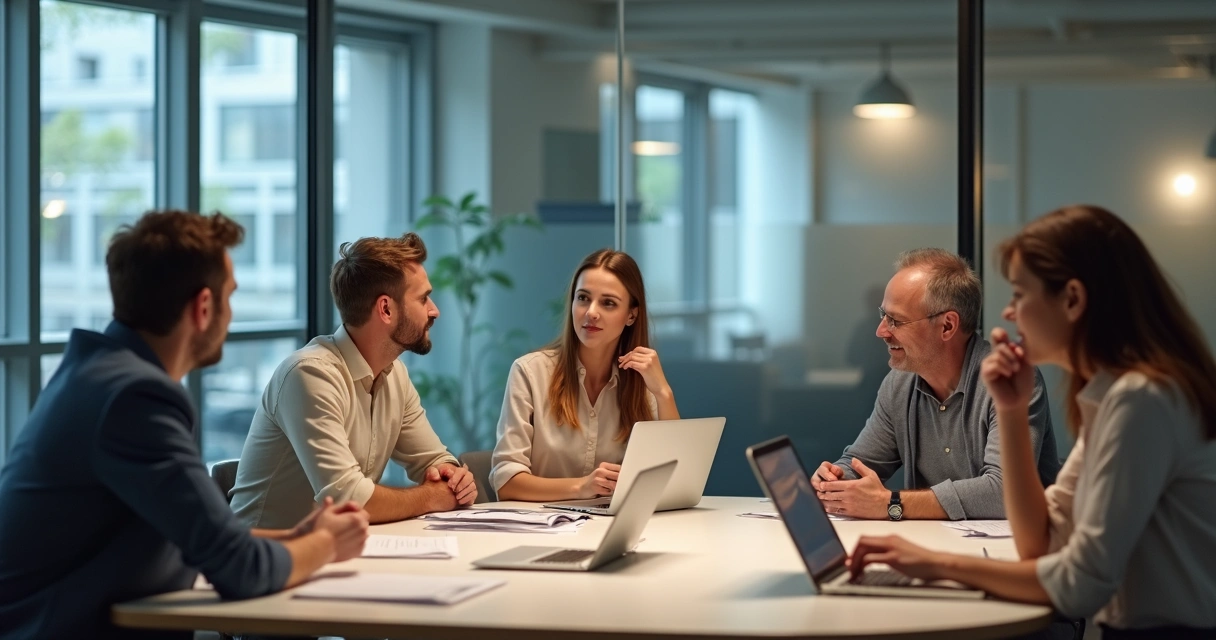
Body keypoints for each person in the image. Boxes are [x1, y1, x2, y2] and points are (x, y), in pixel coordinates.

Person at [0, 211, 369, 640]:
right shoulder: (133, 398)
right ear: (204, 307)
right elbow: (240, 571)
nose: (231, 314)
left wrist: (296, 536)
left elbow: (197, 536)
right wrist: (325, 545)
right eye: (229, 297)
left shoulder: (96, 374)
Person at [850, 205, 1216, 637]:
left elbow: (1079, 586)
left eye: (1021, 294)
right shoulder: (1112, 396)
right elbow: (1039, 544)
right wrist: (1009, 407)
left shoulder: (1142, 401)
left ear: (1073, 299)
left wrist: (933, 564)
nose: (1009, 313)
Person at [230, 232, 475, 529]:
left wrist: (452, 477)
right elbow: (349, 497)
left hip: (339, 554)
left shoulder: (394, 373)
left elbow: (433, 459)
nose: (434, 310)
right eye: (423, 298)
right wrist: (432, 497)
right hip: (264, 563)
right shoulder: (310, 374)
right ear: (385, 309)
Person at [812, 248, 1059, 520]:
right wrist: (834, 480)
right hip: (934, 544)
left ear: (947, 326)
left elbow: (1005, 492)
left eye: (895, 320)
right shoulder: (899, 383)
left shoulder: (1008, 380)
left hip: (1019, 550)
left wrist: (891, 503)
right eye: (883, 315)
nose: (881, 331)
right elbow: (859, 463)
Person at [492, 249, 679, 501]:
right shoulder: (529, 372)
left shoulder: (642, 381)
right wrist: (582, 487)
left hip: (615, 526)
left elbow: (676, 480)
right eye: (583, 298)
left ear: (631, 315)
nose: (591, 312)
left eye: (608, 303)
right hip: (544, 528)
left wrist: (663, 393)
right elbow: (506, 481)